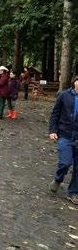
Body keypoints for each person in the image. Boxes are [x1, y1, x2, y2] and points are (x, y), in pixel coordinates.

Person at [48, 75, 78, 204]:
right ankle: (58, 179)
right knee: (65, 162)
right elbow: (55, 113)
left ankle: (74, 192)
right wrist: (52, 130)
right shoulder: (64, 95)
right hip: (65, 134)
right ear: (75, 82)